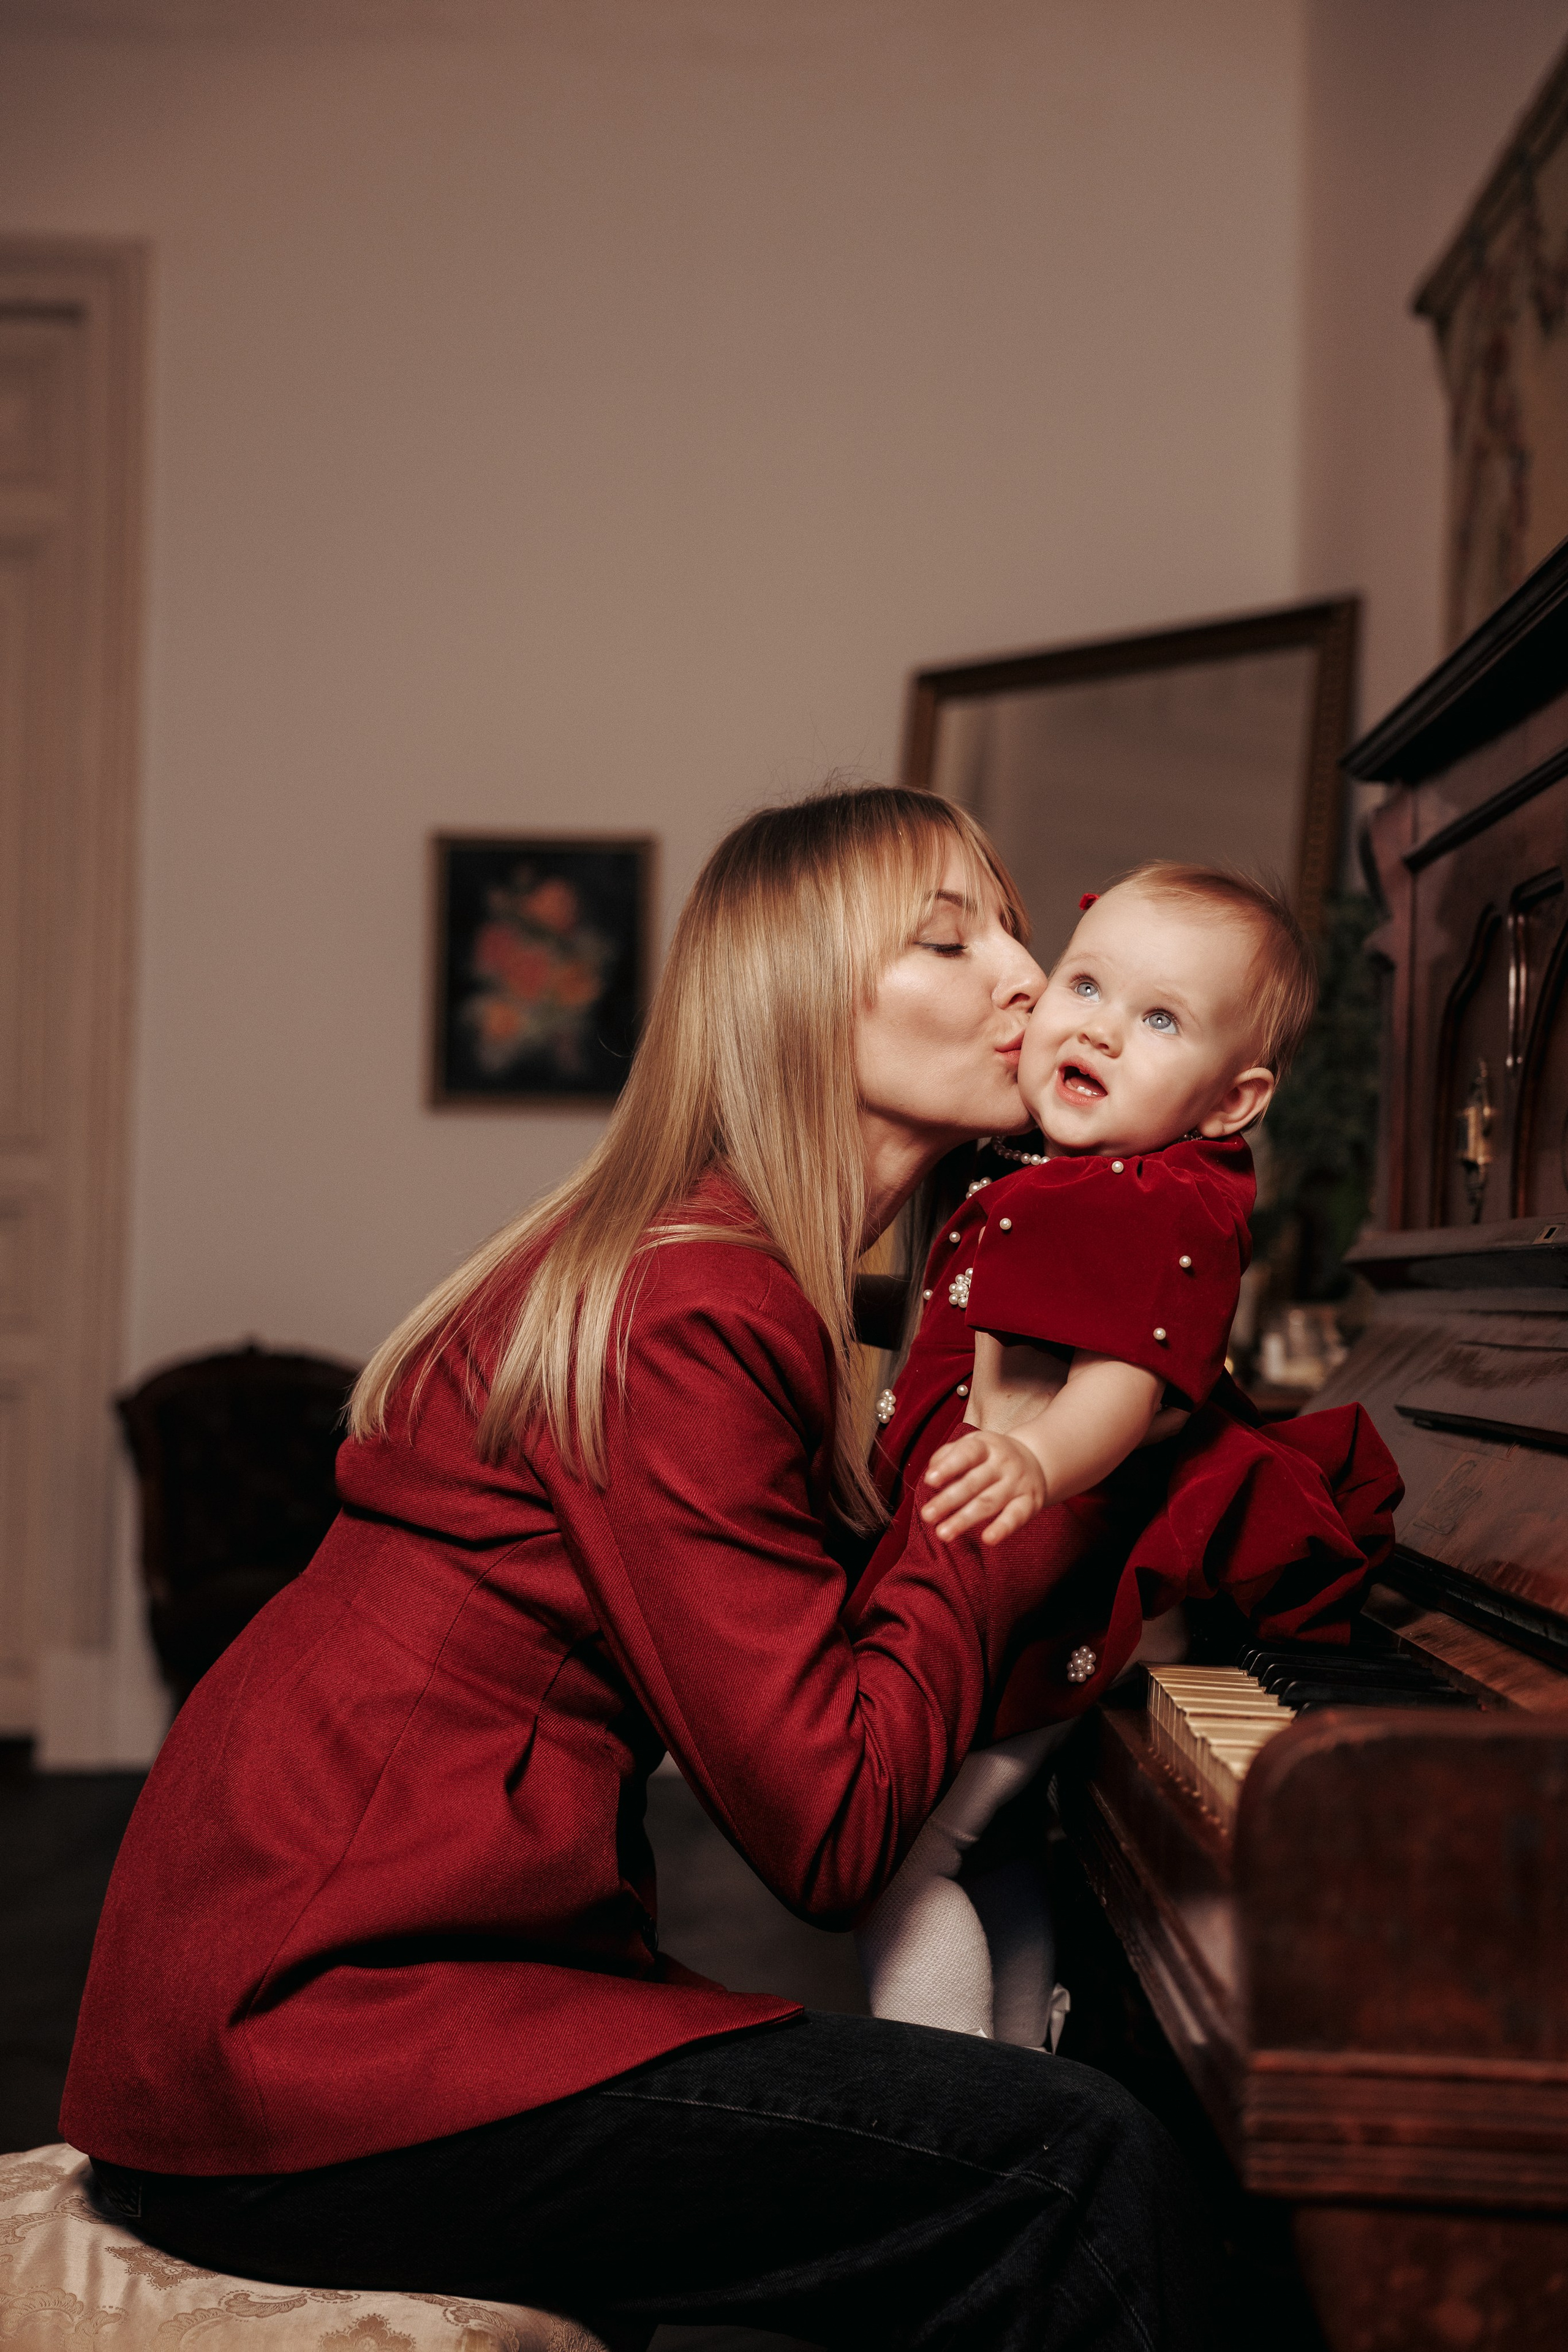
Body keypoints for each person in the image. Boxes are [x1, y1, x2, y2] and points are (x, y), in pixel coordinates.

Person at [61, 788, 1218, 2352]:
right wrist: (1019, 1487)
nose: (1026, 976)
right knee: (1074, 2161)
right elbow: (828, 1830)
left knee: (1000, 2125)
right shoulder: (695, 1305)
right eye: (953, 940)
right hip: (311, 2049)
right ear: (802, 1004)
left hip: (304, 2002)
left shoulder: (717, 1265)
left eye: (1020, 930)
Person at [852, 865, 1400, 2046]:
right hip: (1026, 1568)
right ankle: (1025, 2064)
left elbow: (1122, 1383)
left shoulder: (1141, 1200)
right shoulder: (1083, 1176)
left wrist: (1040, 1462)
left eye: (1160, 1019)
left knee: (899, 1868)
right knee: (998, 1847)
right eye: (1087, 983)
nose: (1097, 1022)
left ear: (1232, 1099)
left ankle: (951, 2098)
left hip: (1043, 1583)